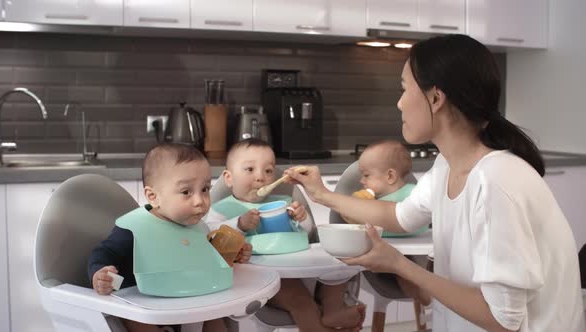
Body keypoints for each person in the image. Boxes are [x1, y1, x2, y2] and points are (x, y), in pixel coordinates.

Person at [285, 34, 586, 332]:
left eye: (404, 89)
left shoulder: (497, 182)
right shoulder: (447, 166)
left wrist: (401, 265)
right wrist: (322, 194)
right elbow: (399, 216)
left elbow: (503, 319)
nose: (400, 103)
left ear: (435, 98)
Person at [88, 143, 252, 332]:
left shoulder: (197, 226)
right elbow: (103, 253)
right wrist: (99, 273)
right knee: (136, 318)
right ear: (153, 196)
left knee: (216, 320)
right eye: (186, 192)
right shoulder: (135, 228)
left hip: (186, 298)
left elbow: (204, 256)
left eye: (205, 189)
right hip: (143, 306)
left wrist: (231, 255)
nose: (200, 201)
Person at [205, 138, 365, 332]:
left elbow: (305, 235)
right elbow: (211, 236)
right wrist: (239, 224)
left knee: (340, 268)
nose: (260, 177)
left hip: (302, 269)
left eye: (268, 170)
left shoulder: (283, 203)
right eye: (250, 170)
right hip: (264, 278)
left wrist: (301, 218)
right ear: (228, 178)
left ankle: (333, 308)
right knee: (302, 303)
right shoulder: (223, 209)